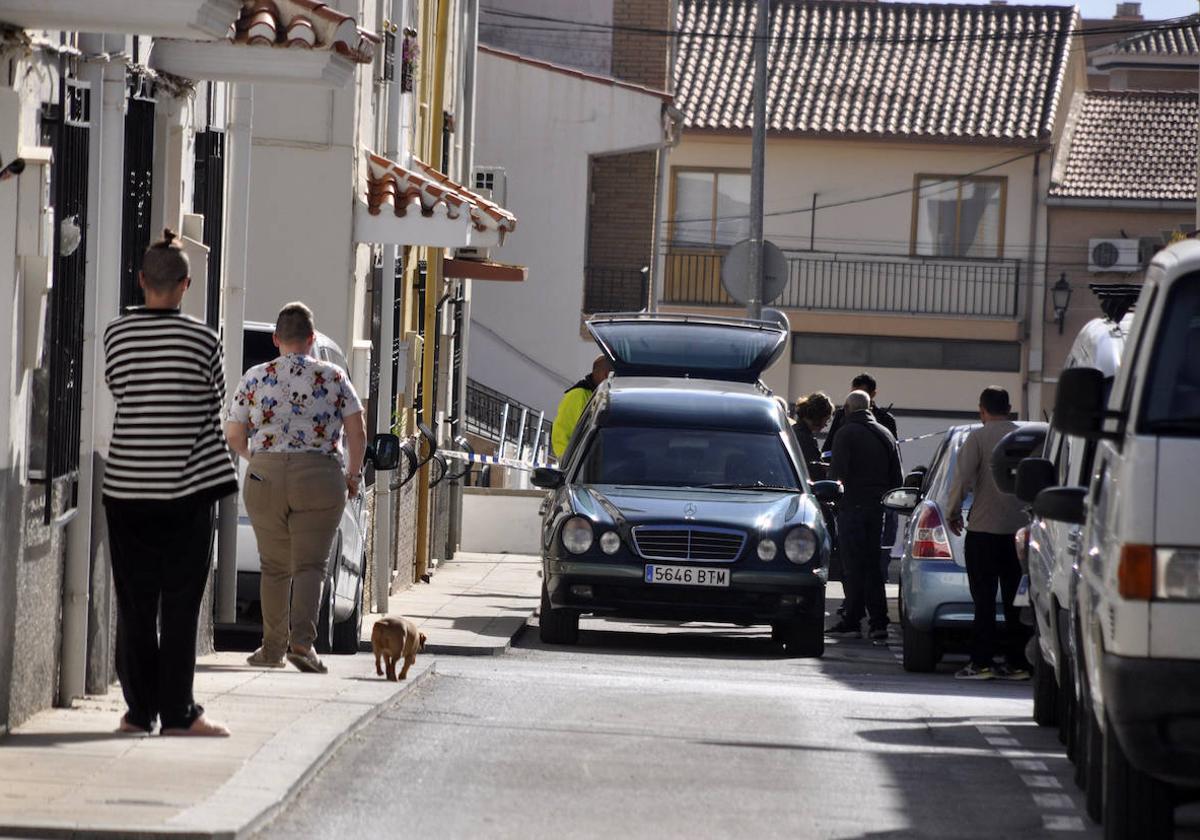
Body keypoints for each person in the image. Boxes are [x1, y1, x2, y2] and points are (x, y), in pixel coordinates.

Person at [102, 229, 238, 737]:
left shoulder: (117, 335)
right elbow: (214, 399)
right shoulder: (205, 340)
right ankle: (180, 712)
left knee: (135, 602)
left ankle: (139, 712)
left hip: (126, 487)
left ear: (141, 281)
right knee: (181, 604)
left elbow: (119, 388)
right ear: (185, 285)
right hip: (189, 489)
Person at [226, 302, 367, 675]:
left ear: (276, 339)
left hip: (266, 475)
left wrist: (253, 456)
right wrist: (352, 477)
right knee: (310, 566)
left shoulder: (255, 377)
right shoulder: (334, 377)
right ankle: (302, 644)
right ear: (311, 339)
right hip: (319, 476)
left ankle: (271, 648)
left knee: (273, 566)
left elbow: (234, 432)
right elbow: (357, 431)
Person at [946, 386, 1032, 681]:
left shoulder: (978, 437)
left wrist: (952, 511)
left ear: (982, 410)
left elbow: (963, 478)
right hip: (1019, 532)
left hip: (983, 530)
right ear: (1009, 408)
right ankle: (1018, 663)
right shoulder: (1027, 438)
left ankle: (981, 662)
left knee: (983, 600)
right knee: (1015, 601)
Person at [826, 390, 902, 641]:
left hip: (852, 506)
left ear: (847, 409)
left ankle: (852, 620)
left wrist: (832, 501)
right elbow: (897, 480)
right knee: (872, 566)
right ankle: (878, 621)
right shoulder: (886, 434)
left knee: (852, 566)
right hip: (877, 508)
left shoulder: (845, 433)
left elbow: (836, 476)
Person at [551, 355, 613, 459]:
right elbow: (562, 435)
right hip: (581, 466)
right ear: (607, 375)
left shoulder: (599, 394)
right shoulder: (578, 395)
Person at [824, 372, 897, 449]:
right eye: (853, 394)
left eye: (862, 394)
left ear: (873, 394)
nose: (856, 398)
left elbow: (893, 452)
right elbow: (828, 446)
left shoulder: (886, 419)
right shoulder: (841, 415)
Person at [792, 392, 834, 478]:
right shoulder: (805, 439)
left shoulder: (794, 431)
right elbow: (813, 470)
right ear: (818, 416)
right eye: (826, 420)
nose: (825, 425)